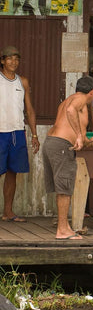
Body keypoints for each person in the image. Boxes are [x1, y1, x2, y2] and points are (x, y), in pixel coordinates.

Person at [43, 76, 93, 239]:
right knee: (65, 188)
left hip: (52, 143)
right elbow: (70, 112)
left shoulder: (68, 100)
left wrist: (87, 140)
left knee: (63, 188)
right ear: (92, 92)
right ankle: (62, 230)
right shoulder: (80, 99)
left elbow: (73, 125)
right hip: (61, 145)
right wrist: (80, 137)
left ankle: (65, 226)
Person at [1, 46, 40, 223]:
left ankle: (8, 212)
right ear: (2, 61)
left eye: (16, 59)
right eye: (9, 58)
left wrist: (34, 134)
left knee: (12, 173)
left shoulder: (22, 81)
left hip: (17, 132)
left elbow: (29, 109)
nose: (13, 62)